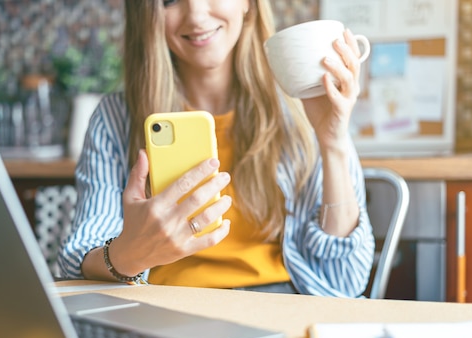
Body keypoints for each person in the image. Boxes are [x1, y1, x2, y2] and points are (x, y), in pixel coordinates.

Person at [58, 0, 375, 297]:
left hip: (282, 303)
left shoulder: (304, 106)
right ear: (147, 16)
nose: (196, 15)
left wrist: (332, 142)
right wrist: (130, 252)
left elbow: (344, 281)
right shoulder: (116, 118)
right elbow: (80, 260)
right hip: (166, 307)